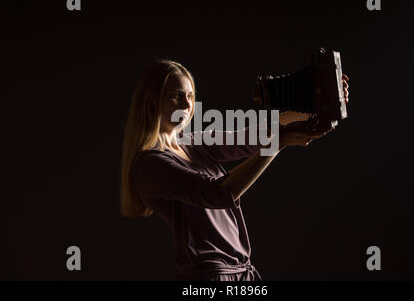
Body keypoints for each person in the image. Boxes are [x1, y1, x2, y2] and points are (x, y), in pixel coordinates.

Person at [119, 59, 349, 281]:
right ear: (151, 101)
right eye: (175, 97)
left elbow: (249, 137)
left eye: (190, 96)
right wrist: (278, 143)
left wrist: (320, 104)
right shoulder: (150, 165)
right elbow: (220, 193)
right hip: (210, 277)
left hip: (242, 273)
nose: (187, 105)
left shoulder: (192, 144)